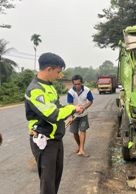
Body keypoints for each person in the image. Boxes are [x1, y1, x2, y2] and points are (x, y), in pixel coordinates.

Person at [25, 52, 84, 194]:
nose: (59, 75)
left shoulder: (49, 86)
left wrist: (72, 110)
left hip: (56, 139)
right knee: (48, 183)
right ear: (49, 69)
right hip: (44, 141)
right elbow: (52, 114)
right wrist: (73, 108)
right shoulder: (35, 90)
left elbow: (58, 107)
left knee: (55, 179)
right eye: (58, 72)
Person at [67, 74, 94, 157]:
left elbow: (90, 101)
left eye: (78, 84)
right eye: (75, 84)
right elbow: (70, 105)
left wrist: (84, 108)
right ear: (73, 84)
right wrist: (71, 116)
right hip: (74, 115)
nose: (77, 86)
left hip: (83, 115)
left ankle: (82, 149)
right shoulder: (70, 92)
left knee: (82, 130)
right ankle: (79, 146)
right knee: (75, 132)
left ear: (82, 83)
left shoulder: (87, 90)